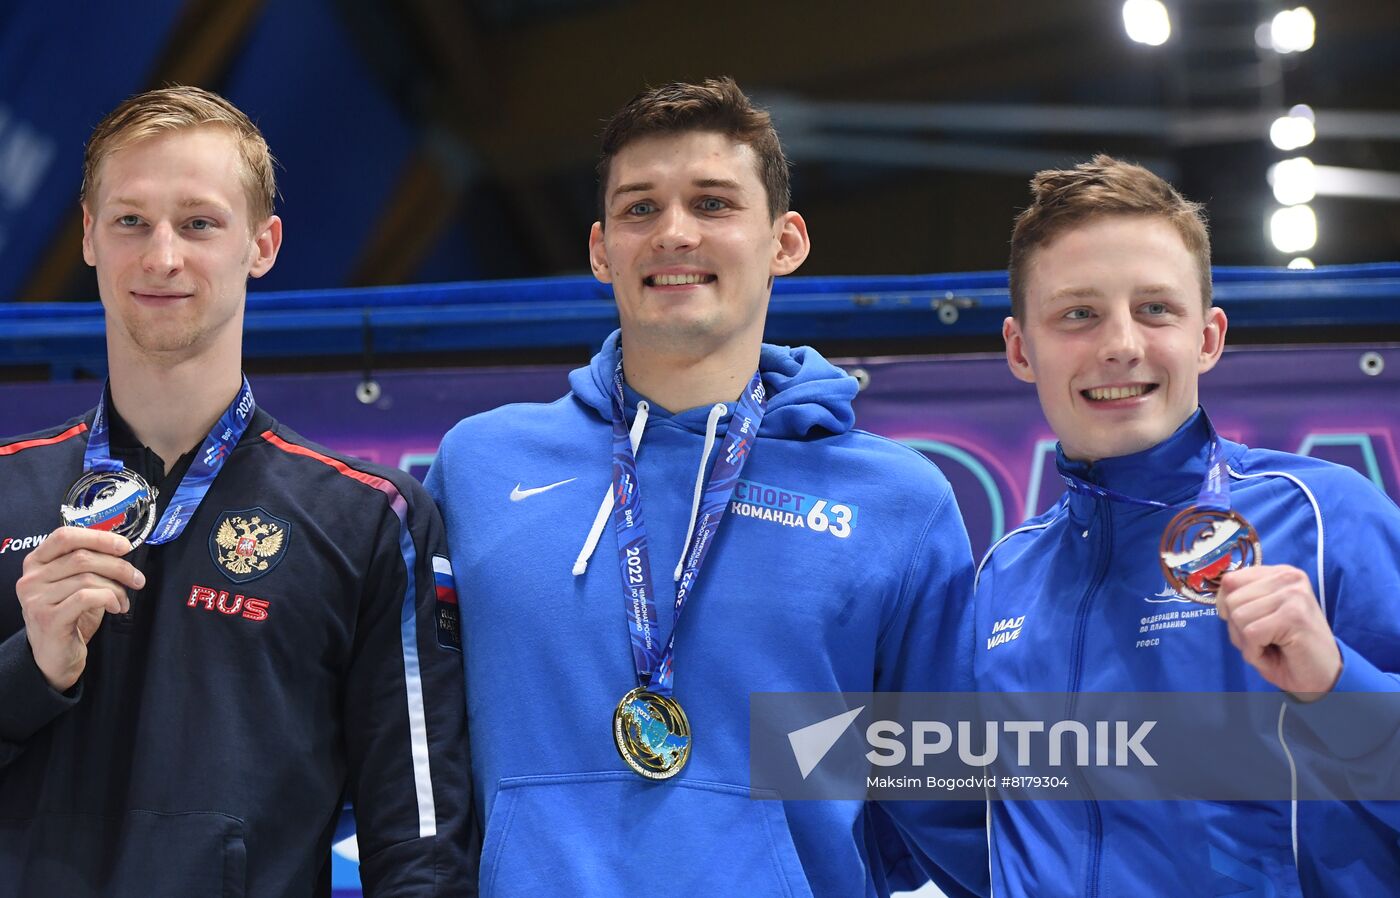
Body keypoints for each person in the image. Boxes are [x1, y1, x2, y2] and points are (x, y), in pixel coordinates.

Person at [427, 77, 987, 898]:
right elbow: (402, 751)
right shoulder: (479, 466)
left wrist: (1235, 747)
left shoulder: (897, 503)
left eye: (714, 203)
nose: (674, 233)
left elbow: (954, 813)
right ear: (599, 248)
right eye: (640, 208)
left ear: (785, 242)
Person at [0, 86, 475, 896]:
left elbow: (420, 845)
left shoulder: (366, 517)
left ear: (262, 243)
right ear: (87, 235)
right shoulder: (8, 486)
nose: (161, 257)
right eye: (130, 221)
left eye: (198, 223)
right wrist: (28, 672)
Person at [977, 154, 1400, 896]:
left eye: (1155, 309)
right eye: (1078, 313)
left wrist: (1335, 686)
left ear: (1207, 337)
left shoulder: (1324, 517)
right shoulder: (1001, 581)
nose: (1121, 345)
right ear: (1020, 348)